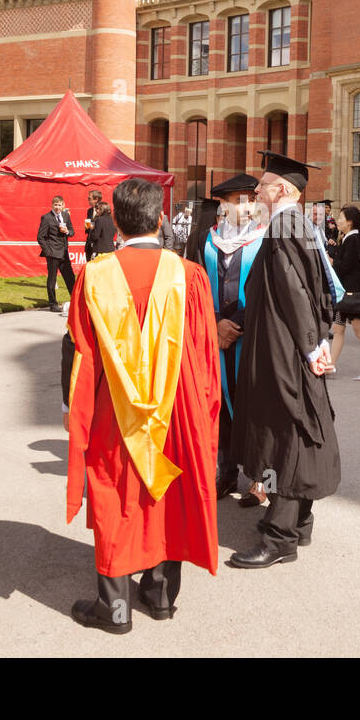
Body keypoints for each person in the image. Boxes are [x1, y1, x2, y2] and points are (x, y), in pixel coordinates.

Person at [64, 178, 221, 632]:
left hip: (114, 410)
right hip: (176, 409)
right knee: (164, 493)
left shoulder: (94, 275)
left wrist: (76, 412)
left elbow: (80, 351)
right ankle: (160, 596)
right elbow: (205, 353)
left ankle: (114, 609)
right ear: (159, 219)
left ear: (115, 220)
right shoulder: (188, 275)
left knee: (116, 494)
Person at [229, 151, 341, 568]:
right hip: (291, 343)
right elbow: (319, 291)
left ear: (283, 189)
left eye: (262, 184)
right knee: (296, 427)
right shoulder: (295, 225)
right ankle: (300, 522)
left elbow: (297, 293)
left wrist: (313, 346)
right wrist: (319, 340)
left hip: (284, 349)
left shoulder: (285, 226)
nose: (256, 190)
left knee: (286, 431)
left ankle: (279, 538)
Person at [194, 174, 267, 501]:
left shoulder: (265, 239)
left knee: (254, 407)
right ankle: (225, 472)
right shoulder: (204, 240)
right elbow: (193, 289)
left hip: (250, 339)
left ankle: (260, 477)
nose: (248, 206)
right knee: (220, 405)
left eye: (251, 199)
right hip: (214, 339)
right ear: (223, 206)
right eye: (240, 200)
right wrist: (214, 323)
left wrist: (233, 324)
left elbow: (266, 289)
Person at [329, 205, 360, 381]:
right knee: (338, 328)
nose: (337, 221)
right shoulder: (349, 238)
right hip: (346, 294)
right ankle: (330, 365)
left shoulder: (354, 239)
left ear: (349, 222)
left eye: (341, 218)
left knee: (359, 330)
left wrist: (330, 261)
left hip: (354, 293)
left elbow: (346, 266)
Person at [37, 195, 76, 313]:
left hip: (64, 252)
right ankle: (53, 304)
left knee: (70, 278)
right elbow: (40, 237)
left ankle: (75, 301)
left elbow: (72, 231)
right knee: (52, 279)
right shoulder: (46, 218)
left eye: (59, 205)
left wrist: (67, 231)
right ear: (52, 205)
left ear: (63, 205)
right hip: (53, 254)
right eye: (55, 205)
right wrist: (48, 252)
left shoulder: (65, 215)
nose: (57, 207)